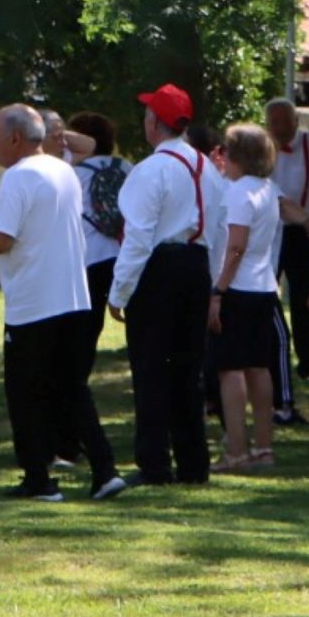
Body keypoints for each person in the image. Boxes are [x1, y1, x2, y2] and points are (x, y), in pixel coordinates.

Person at [0, 106, 125, 501]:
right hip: (72, 296)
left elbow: (1, 240)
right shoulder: (62, 170)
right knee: (71, 388)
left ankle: (38, 479)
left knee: (24, 392)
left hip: (34, 301)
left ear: (16, 138)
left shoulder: (19, 176)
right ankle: (105, 471)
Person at [108, 83, 217, 486]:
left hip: (160, 268)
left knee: (151, 366)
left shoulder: (151, 170)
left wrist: (119, 291)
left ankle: (154, 462)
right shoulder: (207, 168)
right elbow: (219, 229)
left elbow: (138, 237)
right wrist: (214, 285)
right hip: (197, 265)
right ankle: (193, 463)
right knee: (188, 369)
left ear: (155, 122)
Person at [208, 123, 287, 473]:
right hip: (263, 285)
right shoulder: (268, 189)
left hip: (238, 288)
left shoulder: (239, 193)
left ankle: (237, 450)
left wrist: (219, 290)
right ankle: (263, 447)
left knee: (230, 370)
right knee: (259, 367)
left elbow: (236, 246)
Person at [265, 98, 309, 386]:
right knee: (267, 289)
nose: (277, 128)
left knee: (305, 292)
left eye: (282, 121)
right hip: (272, 230)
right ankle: (268, 351)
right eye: (272, 122)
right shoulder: (262, 148)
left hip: (305, 231)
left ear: (296, 121)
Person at [68, 112, 126, 341]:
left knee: (86, 329)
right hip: (124, 253)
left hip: (90, 256)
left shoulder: (74, 173)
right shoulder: (127, 168)